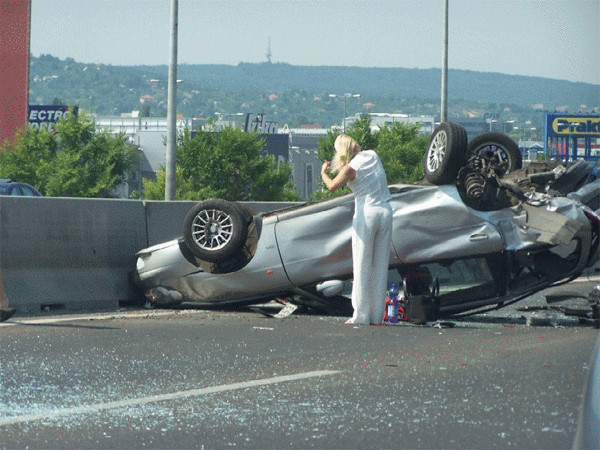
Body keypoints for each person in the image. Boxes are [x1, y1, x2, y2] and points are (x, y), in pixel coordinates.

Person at [320, 134, 393, 325]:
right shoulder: (372, 155)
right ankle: (376, 316)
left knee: (362, 265)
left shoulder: (350, 169)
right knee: (380, 266)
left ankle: (361, 316)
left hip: (366, 213)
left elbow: (332, 186)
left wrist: (323, 173)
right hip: (386, 211)